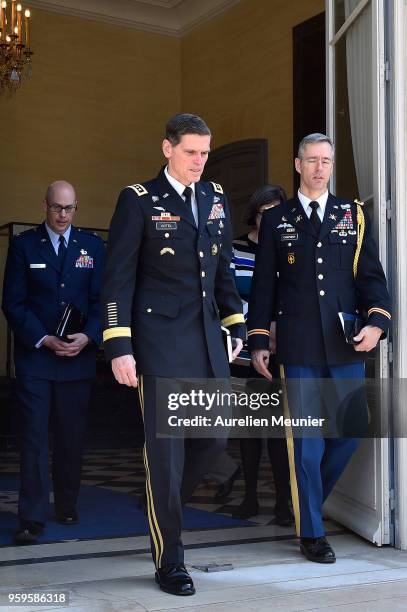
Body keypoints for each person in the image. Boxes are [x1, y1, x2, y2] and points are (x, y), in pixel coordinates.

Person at [101, 113, 245, 596]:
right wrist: (119, 344)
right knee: (167, 458)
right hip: (159, 345)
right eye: (190, 153)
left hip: (207, 343)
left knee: (216, 441)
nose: (199, 162)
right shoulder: (137, 200)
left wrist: (235, 320)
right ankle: (171, 560)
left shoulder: (215, 196)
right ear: (167, 149)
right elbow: (116, 277)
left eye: (205, 153)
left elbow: (221, 263)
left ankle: (165, 512)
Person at [248, 134, 391, 563]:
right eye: (311, 160)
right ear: (297, 164)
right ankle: (312, 531)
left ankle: (303, 500)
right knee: (307, 443)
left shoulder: (354, 215)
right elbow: (262, 289)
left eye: (326, 161)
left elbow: (371, 279)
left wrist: (378, 324)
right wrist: (258, 341)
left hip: (346, 345)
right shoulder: (278, 220)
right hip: (299, 348)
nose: (319, 168)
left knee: (350, 431)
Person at [2, 180, 105, 543]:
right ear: (44, 206)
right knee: (33, 441)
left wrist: (89, 335)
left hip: (77, 360)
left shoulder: (92, 247)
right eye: (57, 208)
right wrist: (44, 338)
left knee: (71, 438)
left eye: (70, 208)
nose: (63, 215)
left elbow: (102, 301)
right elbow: (13, 303)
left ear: (77, 208)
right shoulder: (23, 246)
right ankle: (31, 516)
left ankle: (67, 504)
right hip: (36, 361)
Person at [231, 185, 293, 526]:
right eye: (262, 213)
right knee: (251, 429)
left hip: (281, 348)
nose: (269, 220)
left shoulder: (289, 248)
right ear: (253, 214)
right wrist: (257, 329)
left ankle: (284, 501)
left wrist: (274, 328)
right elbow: (225, 297)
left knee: (280, 431)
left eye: (276, 213)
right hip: (245, 352)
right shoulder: (235, 249)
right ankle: (250, 496)